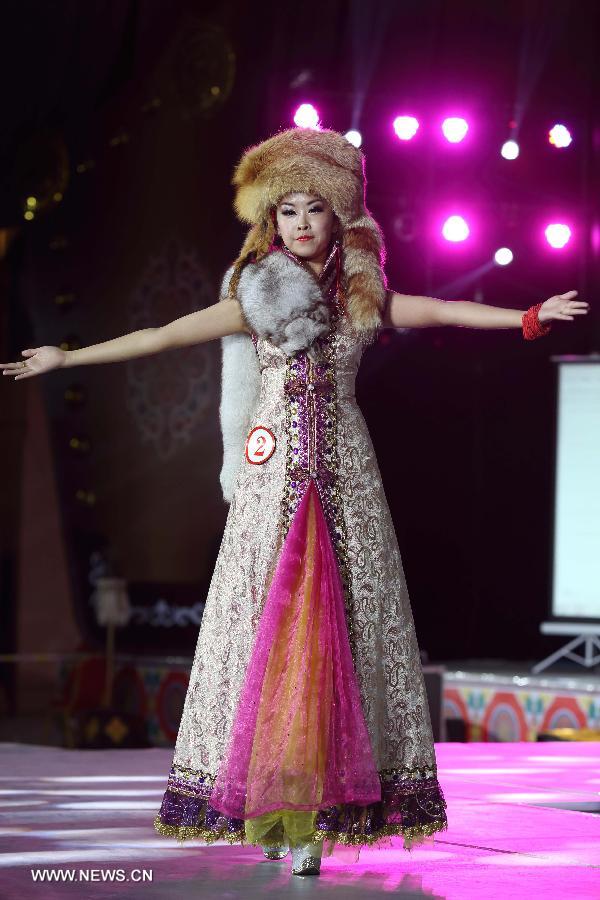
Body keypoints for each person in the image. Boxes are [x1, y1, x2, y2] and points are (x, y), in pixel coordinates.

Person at [1, 127, 589, 878]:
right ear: (269, 220)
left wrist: (526, 316)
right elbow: (163, 335)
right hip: (273, 479)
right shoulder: (254, 296)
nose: (302, 223)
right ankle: (274, 798)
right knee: (271, 632)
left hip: (345, 475)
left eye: (315, 208)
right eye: (287, 211)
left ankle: (322, 807)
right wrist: (67, 356)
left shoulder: (360, 297)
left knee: (345, 630)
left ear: (339, 214)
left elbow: (442, 309)